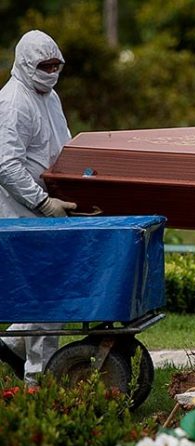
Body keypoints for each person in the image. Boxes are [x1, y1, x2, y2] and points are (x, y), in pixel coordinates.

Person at [0, 30, 76, 383]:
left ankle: (11, 345)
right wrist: (44, 203)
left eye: (55, 65)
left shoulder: (49, 96)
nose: (50, 71)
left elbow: (62, 143)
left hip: (49, 206)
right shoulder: (14, 102)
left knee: (53, 289)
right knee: (46, 292)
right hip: (24, 212)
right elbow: (6, 165)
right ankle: (37, 381)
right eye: (44, 66)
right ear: (26, 65)